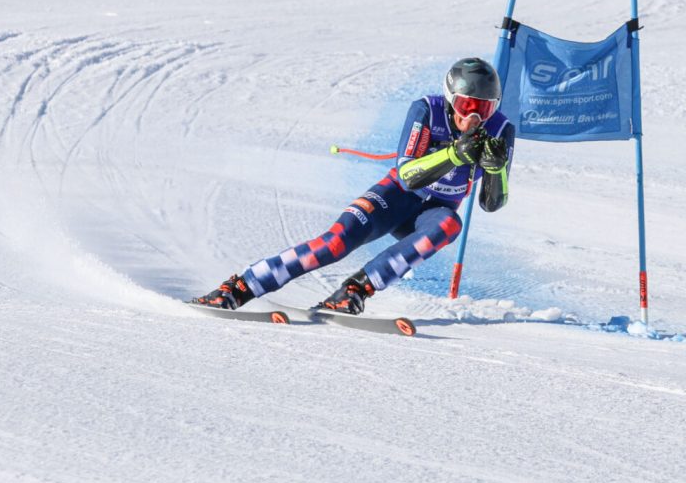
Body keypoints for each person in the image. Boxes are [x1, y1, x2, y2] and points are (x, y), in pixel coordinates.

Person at [192, 57, 515, 314]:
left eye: (484, 108)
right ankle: (240, 287)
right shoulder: (427, 110)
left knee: (450, 224)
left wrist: (496, 169)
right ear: (450, 98)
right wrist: (453, 154)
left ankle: (355, 290)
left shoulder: (500, 130)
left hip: (431, 214)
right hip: (397, 197)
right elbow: (406, 175)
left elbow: (492, 204)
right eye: (466, 106)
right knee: (334, 245)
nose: (474, 118)